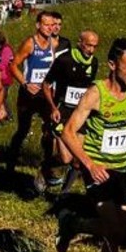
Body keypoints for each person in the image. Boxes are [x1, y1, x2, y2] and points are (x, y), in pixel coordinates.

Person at [57, 37, 126, 252]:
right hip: (98, 166)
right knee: (112, 227)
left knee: (119, 231)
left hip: (122, 166)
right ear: (113, 65)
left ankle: (74, 223)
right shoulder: (96, 94)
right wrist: (89, 165)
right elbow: (69, 132)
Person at [4, 11, 58, 189]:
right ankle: (10, 166)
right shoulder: (30, 43)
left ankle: (45, 170)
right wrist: (25, 83)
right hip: (28, 94)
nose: (50, 28)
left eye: (52, 25)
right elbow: (13, 65)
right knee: (23, 130)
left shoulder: (53, 43)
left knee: (50, 130)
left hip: (45, 94)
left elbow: (52, 68)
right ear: (38, 26)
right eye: (46, 25)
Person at [43, 30, 99, 191]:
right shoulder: (64, 60)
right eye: (88, 45)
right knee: (66, 158)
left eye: (95, 46)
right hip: (63, 111)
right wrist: (53, 108)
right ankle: (46, 166)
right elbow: (46, 85)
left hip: (80, 113)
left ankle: (64, 194)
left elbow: (88, 88)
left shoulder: (94, 62)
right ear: (80, 42)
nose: (91, 50)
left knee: (77, 159)